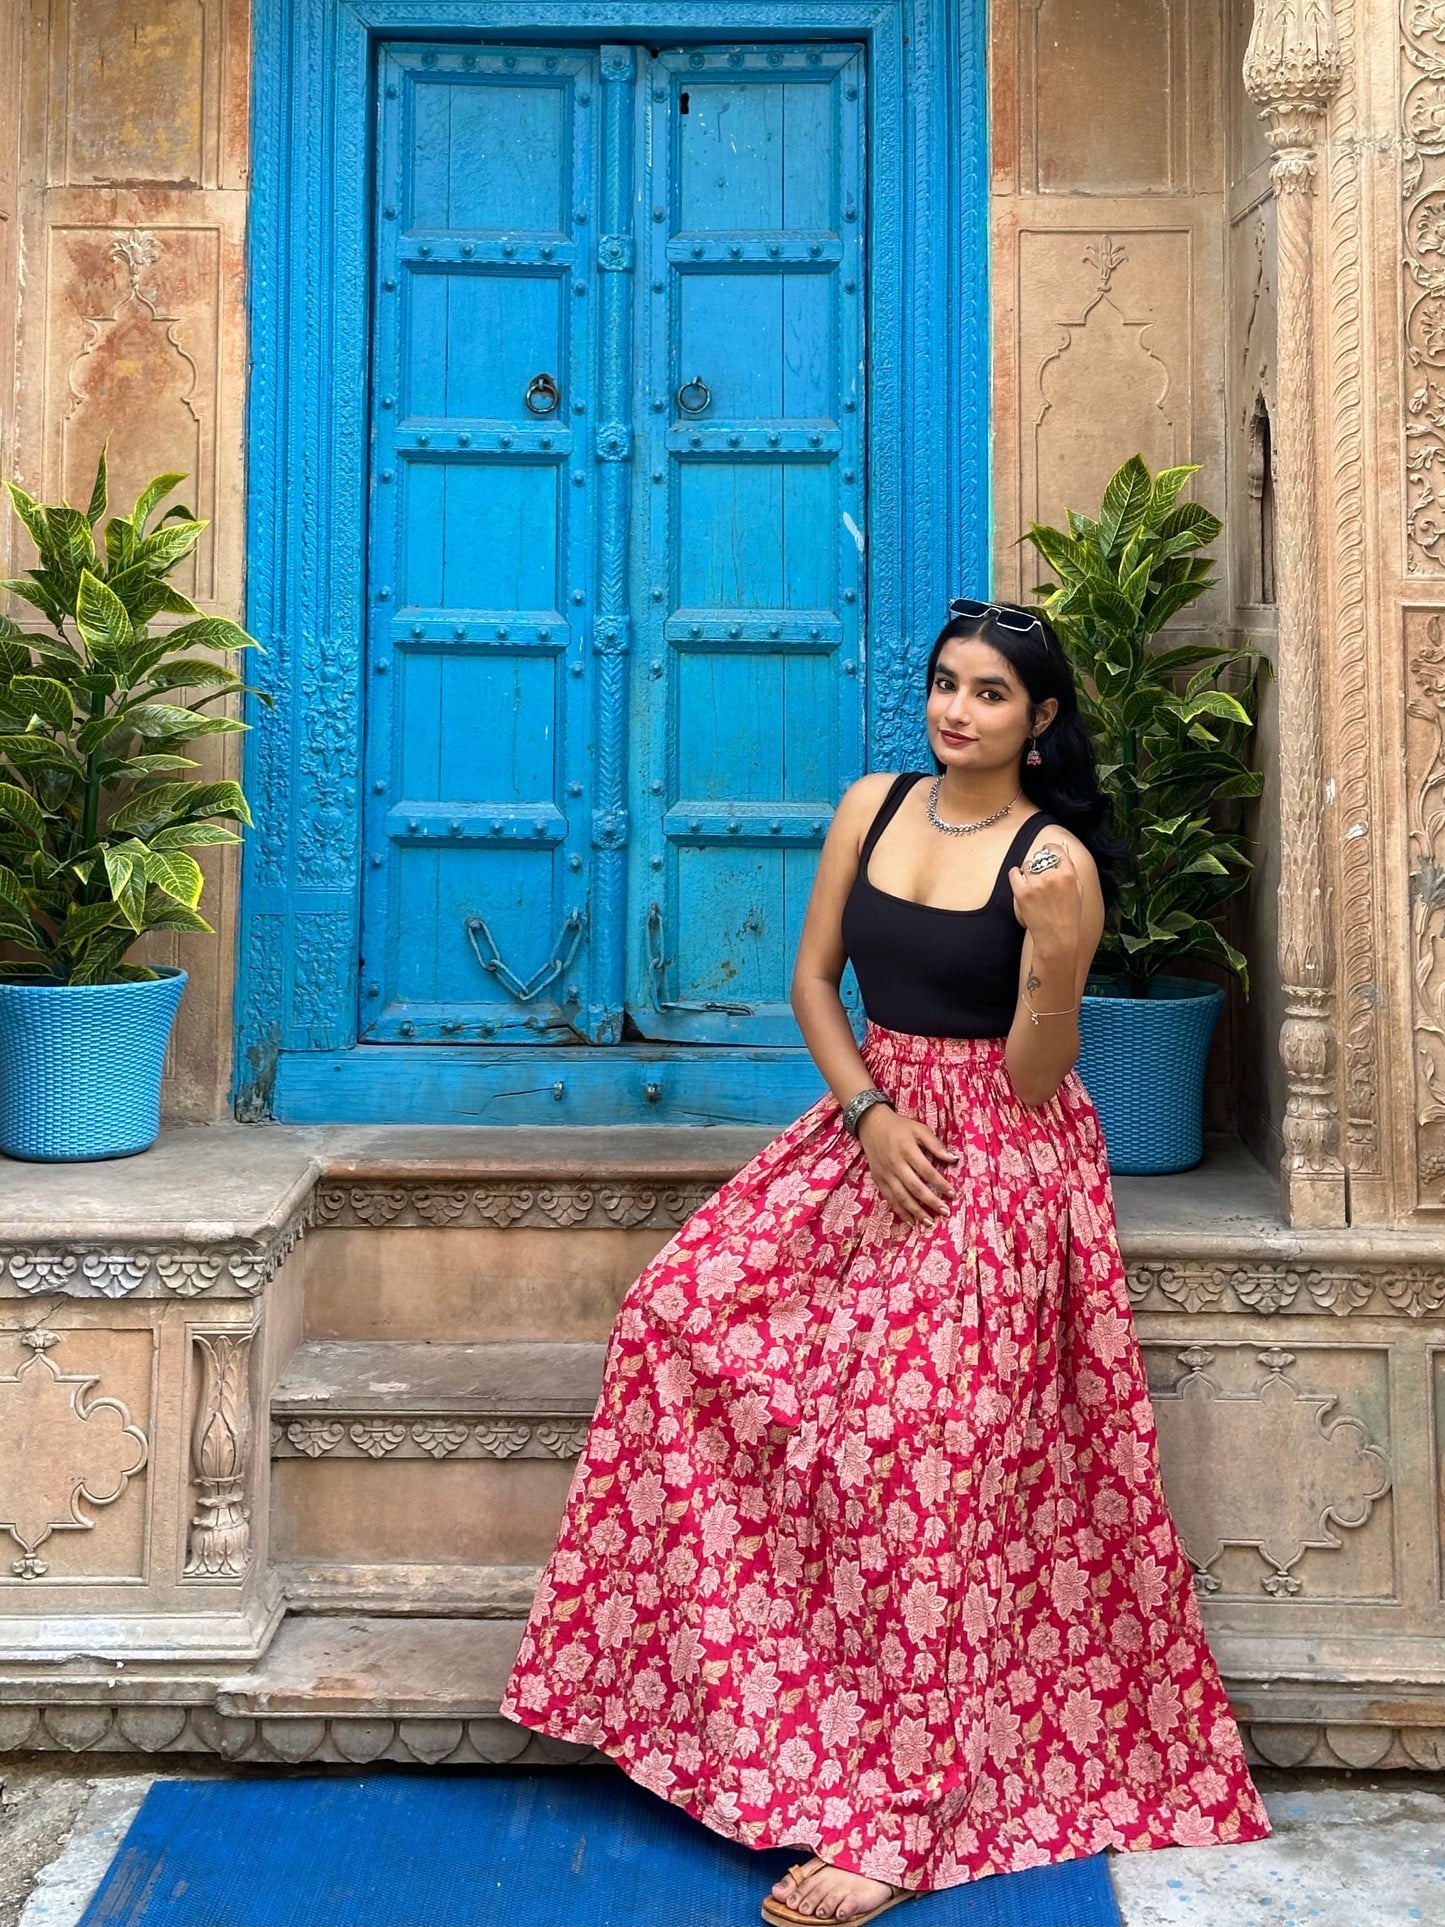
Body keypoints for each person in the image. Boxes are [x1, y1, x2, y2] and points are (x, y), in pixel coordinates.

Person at [500, 600, 1273, 1924]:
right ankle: (710, 1708)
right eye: (943, 684)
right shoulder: (871, 804)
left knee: (918, 1444)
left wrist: (1054, 955)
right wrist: (865, 1113)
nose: (954, 709)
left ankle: (898, 1819)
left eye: (986, 694)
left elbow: (1039, 1076)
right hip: (871, 1128)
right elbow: (811, 983)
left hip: (1000, 1165)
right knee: (671, 1315)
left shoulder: (1054, 861)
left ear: (1038, 722)